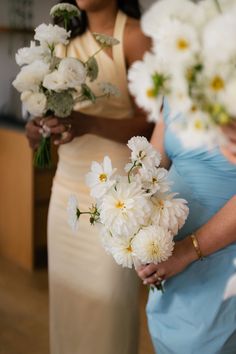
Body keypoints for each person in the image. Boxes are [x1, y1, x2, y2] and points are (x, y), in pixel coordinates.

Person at [26, 1, 152, 354]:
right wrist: (38, 130)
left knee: (108, 310)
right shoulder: (60, 46)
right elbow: (50, 120)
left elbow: (155, 124)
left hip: (115, 202)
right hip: (64, 192)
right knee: (67, 307)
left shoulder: (133, 37)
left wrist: (88, 123)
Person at [136, 98, 236, 353]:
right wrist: (134, 227)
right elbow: (151, 164)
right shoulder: (178, 81)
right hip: (171, 264)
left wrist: (187, 251)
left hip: (222, 261)